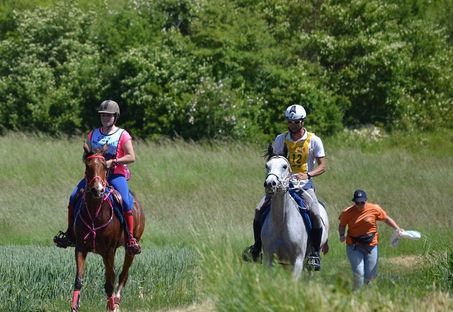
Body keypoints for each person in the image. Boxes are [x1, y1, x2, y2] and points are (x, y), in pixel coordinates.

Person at [244, 104, 327, 271]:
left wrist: (309, 174)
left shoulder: (314, 140)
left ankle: (314, 254)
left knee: (315, 212)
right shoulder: (281, 139)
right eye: (290, 122)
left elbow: (322, 166)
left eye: (296, 122)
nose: (293, 125)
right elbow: (275, 160)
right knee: (259, 208)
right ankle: (257, 247)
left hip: (304, 185)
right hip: (282, 185)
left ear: (303, 122)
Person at [53, 100, 141, 255]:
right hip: (95, 176)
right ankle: (70, 234)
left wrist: (113, 162)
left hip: (115, 175)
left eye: (109, 115)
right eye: (103, 115)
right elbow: (87, 156)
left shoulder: (123, 134)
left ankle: (130, 238)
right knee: (74, 196)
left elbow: (131, 157)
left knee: (126, 201)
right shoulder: (93, 134)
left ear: (115, 116)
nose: (105, 118)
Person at [338, 189, 403, 290]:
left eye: (362, 202)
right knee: (359, 273)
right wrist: (342, 235)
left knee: (371, 276)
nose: (359, 205)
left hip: (371, 246)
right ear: (354, 202)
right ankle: (356, 296)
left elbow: (386, 219)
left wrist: (397, 228)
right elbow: (342, 225)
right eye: (357, 203)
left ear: (366, 201)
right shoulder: (347, 212)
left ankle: (368, 297)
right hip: (354, 246)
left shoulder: (374, 208)